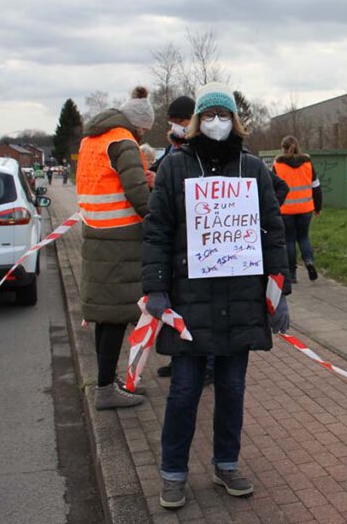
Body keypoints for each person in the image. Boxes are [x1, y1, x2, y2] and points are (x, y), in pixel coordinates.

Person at [142, 82, 290, 509]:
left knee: (232, 388)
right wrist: (155, 287)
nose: (216, 122)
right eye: (208, 115)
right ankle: (173, 473)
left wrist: (280, 291)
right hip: (190, 300)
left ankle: (227, 464)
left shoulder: (253, 169)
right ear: (196, 122)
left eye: (223, 115)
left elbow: (272, 233)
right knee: (185, 390)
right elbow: (157, 233)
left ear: (234, 120)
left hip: (240, 298)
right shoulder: (174, 168)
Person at [76, 86, 155, 411]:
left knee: (107, 317)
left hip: (97, 234)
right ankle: (106, 390)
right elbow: (137, 194)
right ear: (138, 125)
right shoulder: (123, 140)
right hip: (120, 241)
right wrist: (158, 220)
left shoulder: (93, 139)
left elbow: (104, 182)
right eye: (144, 131)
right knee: (114, 318)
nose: (141, 136)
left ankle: (107, 382)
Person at [153, 95, 195, 380]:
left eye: (180, 121)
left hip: (196, 244)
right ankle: (177, 356)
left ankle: (203, 366)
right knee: (177, 305)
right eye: (173, 122)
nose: (176, 126)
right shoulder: (172, 151)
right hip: (177, 247)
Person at [272, 136, 323, 282]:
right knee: (303, 237)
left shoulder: (278, 165)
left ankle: (292, 274)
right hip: (305, 208)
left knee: (289, 240)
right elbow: (316, 187)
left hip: (286, 210)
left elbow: (272, 188)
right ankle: (309, 262)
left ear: (283, 148)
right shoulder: (307, 164)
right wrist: (317, 207)